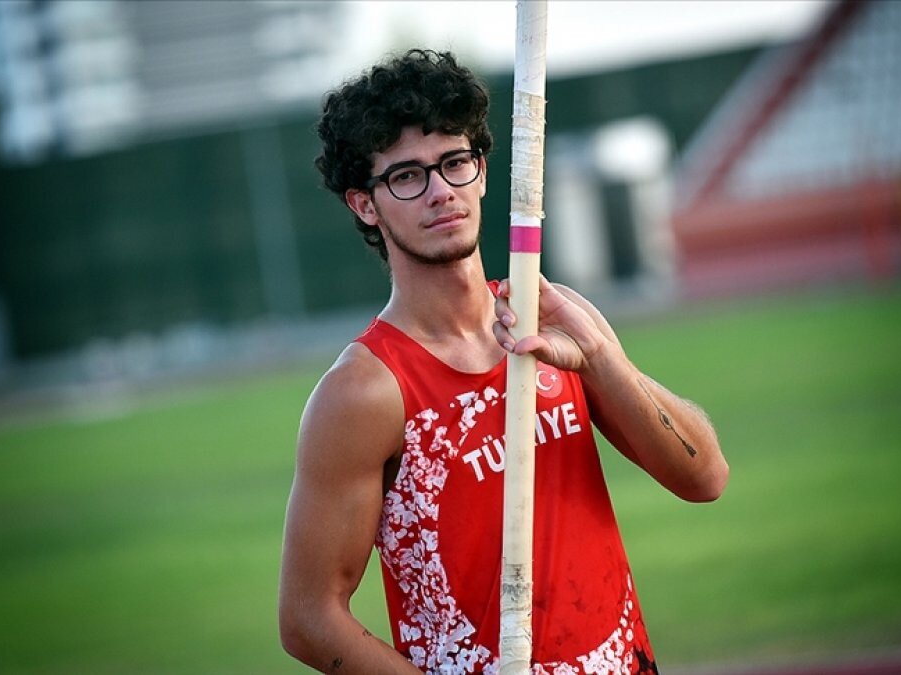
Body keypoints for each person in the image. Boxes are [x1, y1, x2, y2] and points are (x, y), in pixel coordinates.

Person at [278, 49, 728, 675]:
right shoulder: (364, 391)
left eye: (454, 163)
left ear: (483, 172)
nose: (441, 192)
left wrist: (601, 360)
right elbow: (308, 618)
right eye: (406, 176)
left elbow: (704, 478)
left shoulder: (552, 322)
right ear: (364, 204)